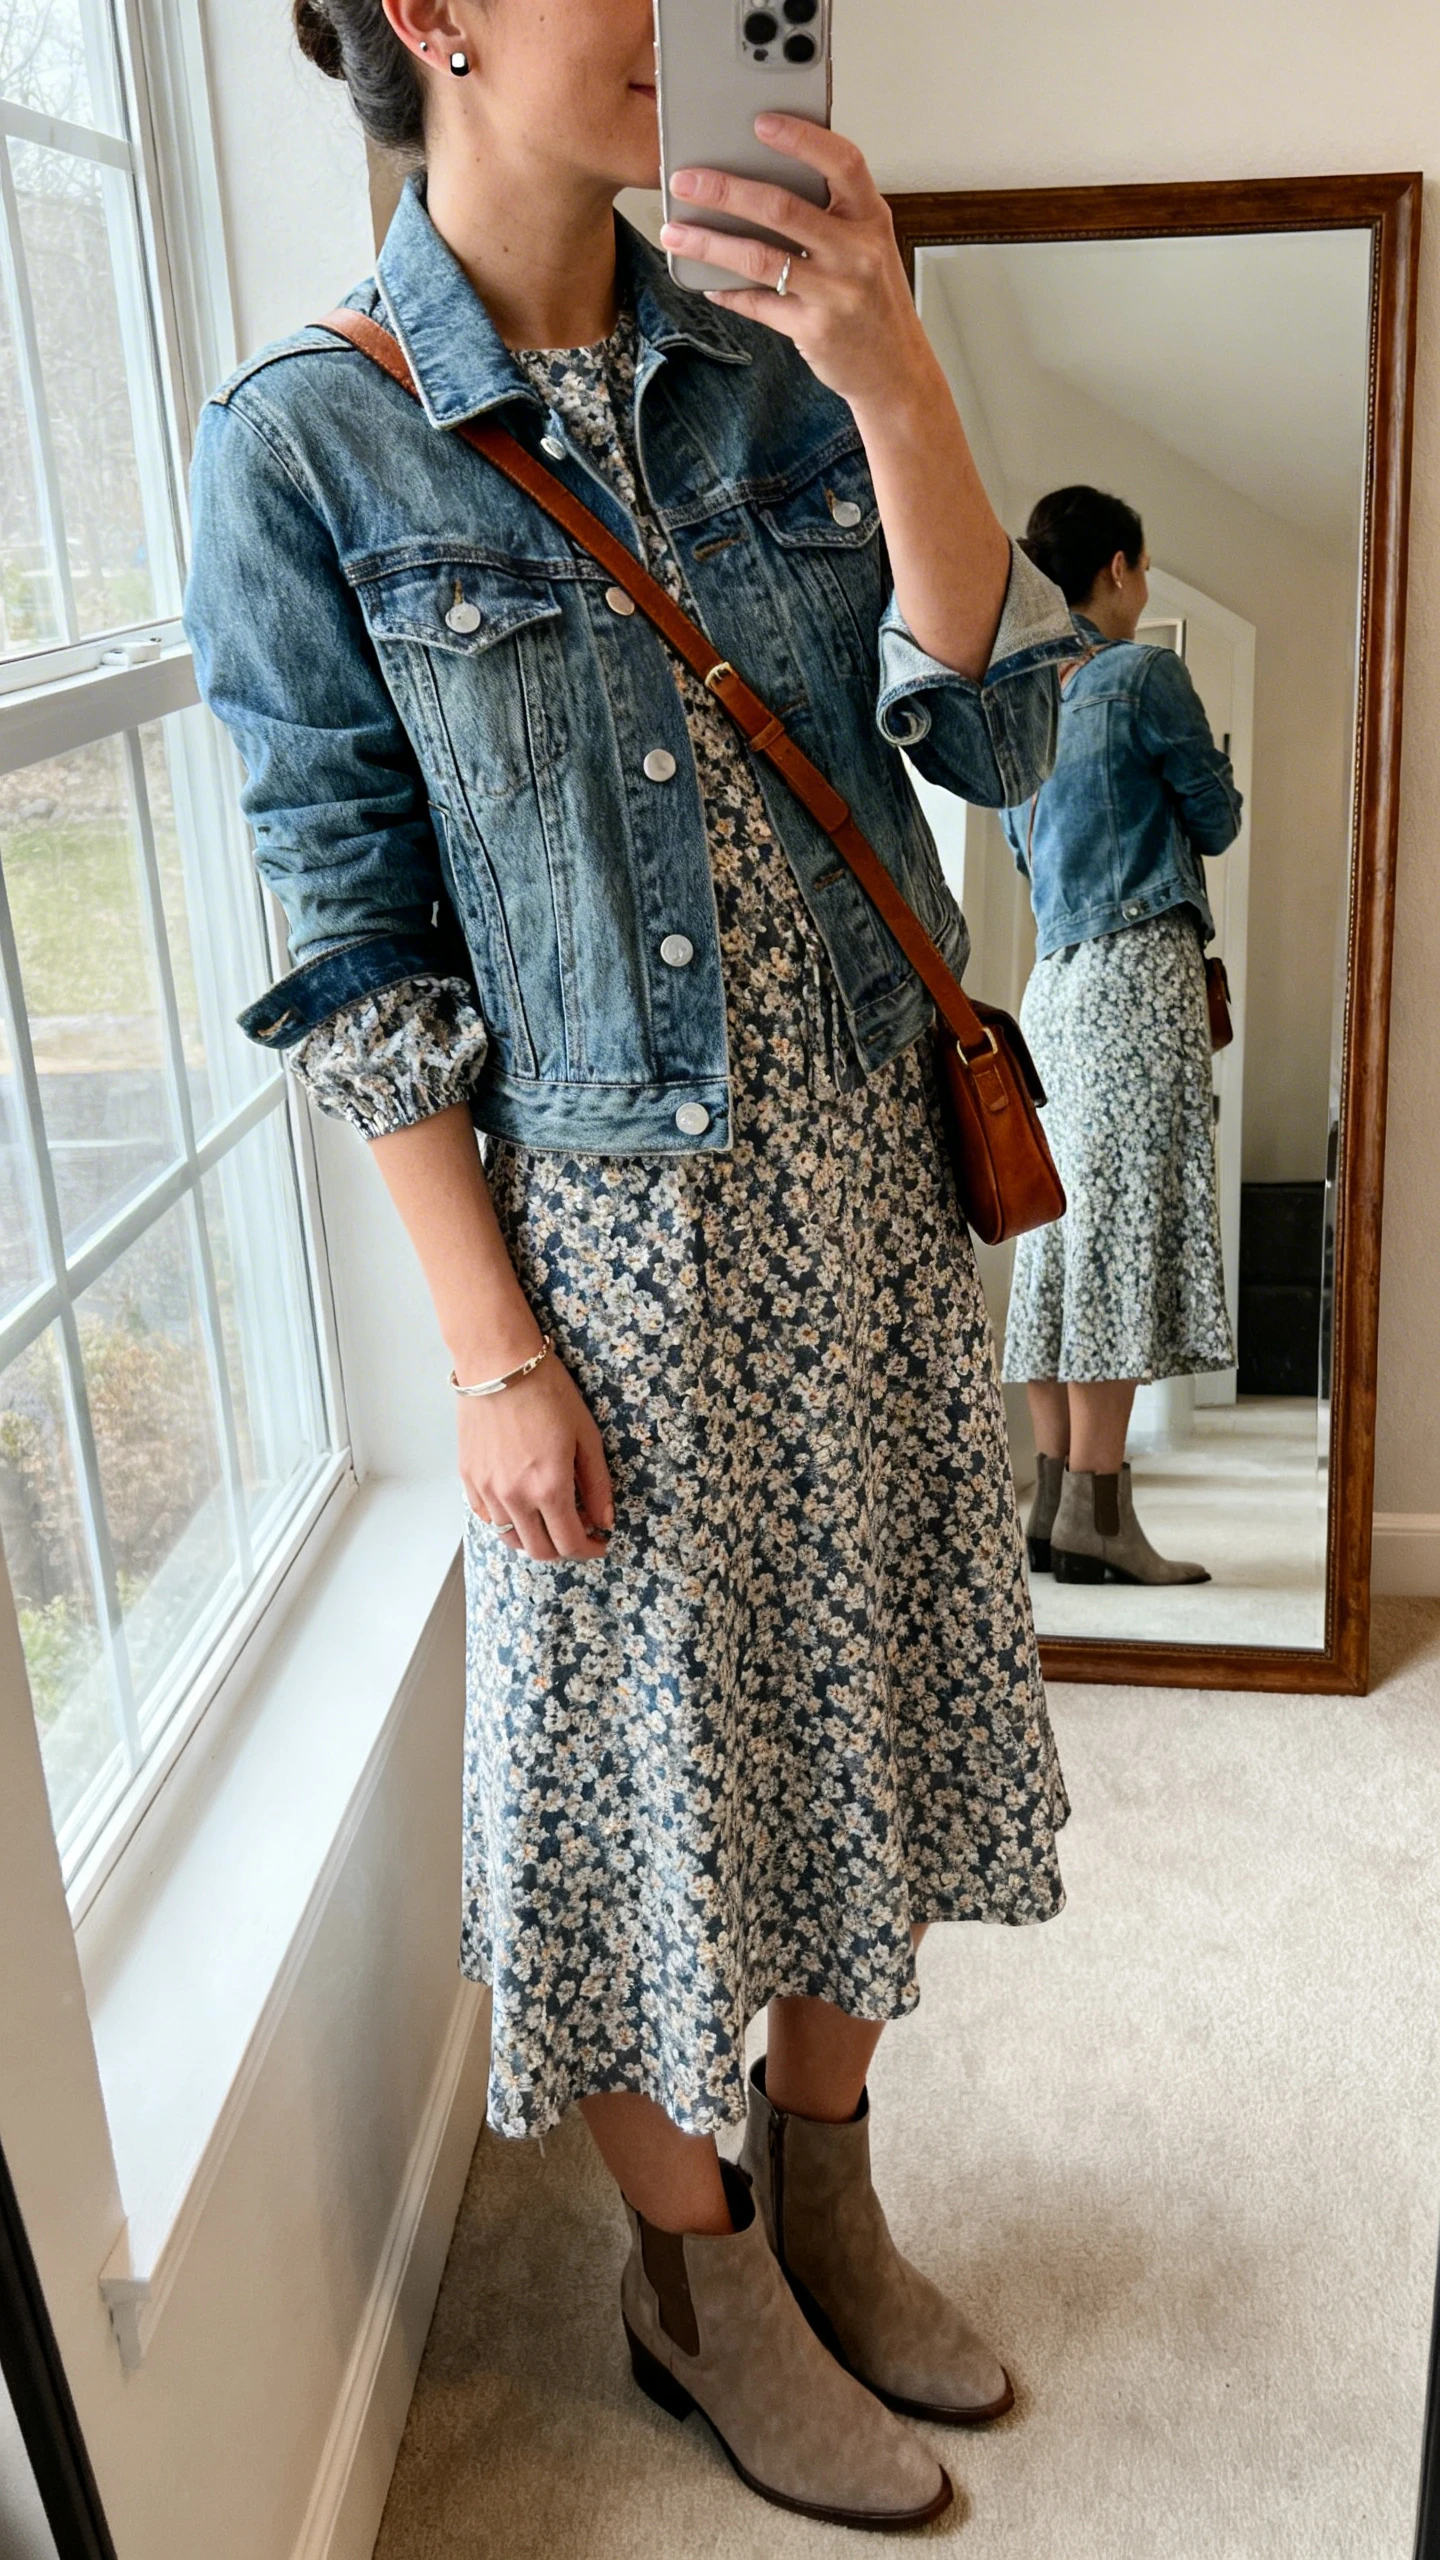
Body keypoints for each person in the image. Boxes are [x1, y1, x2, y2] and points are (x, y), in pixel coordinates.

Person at [184, 0, 1077, 2529]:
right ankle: (684, 2279)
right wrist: (485, 1349)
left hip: (874, 1203)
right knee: (619, 1786)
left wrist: (892, 372)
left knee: (855, 1719)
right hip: (610, 1263)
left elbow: (992, 748)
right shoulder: (309, 438)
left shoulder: (782, 366)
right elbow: (355, 953)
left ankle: (825, 2196)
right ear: (433, 12)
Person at [999, 486, 1243, 1588]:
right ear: (1118, 567)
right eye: (1142, 569)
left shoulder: (1020, 705)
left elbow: (1028, 863)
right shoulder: (1143, 676)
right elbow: (1218, 818)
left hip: (1053, 987)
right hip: (1139, 975)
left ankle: (1054, 1510)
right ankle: (1101, 1517)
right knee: (1120, 1242)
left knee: (1061, 1243)